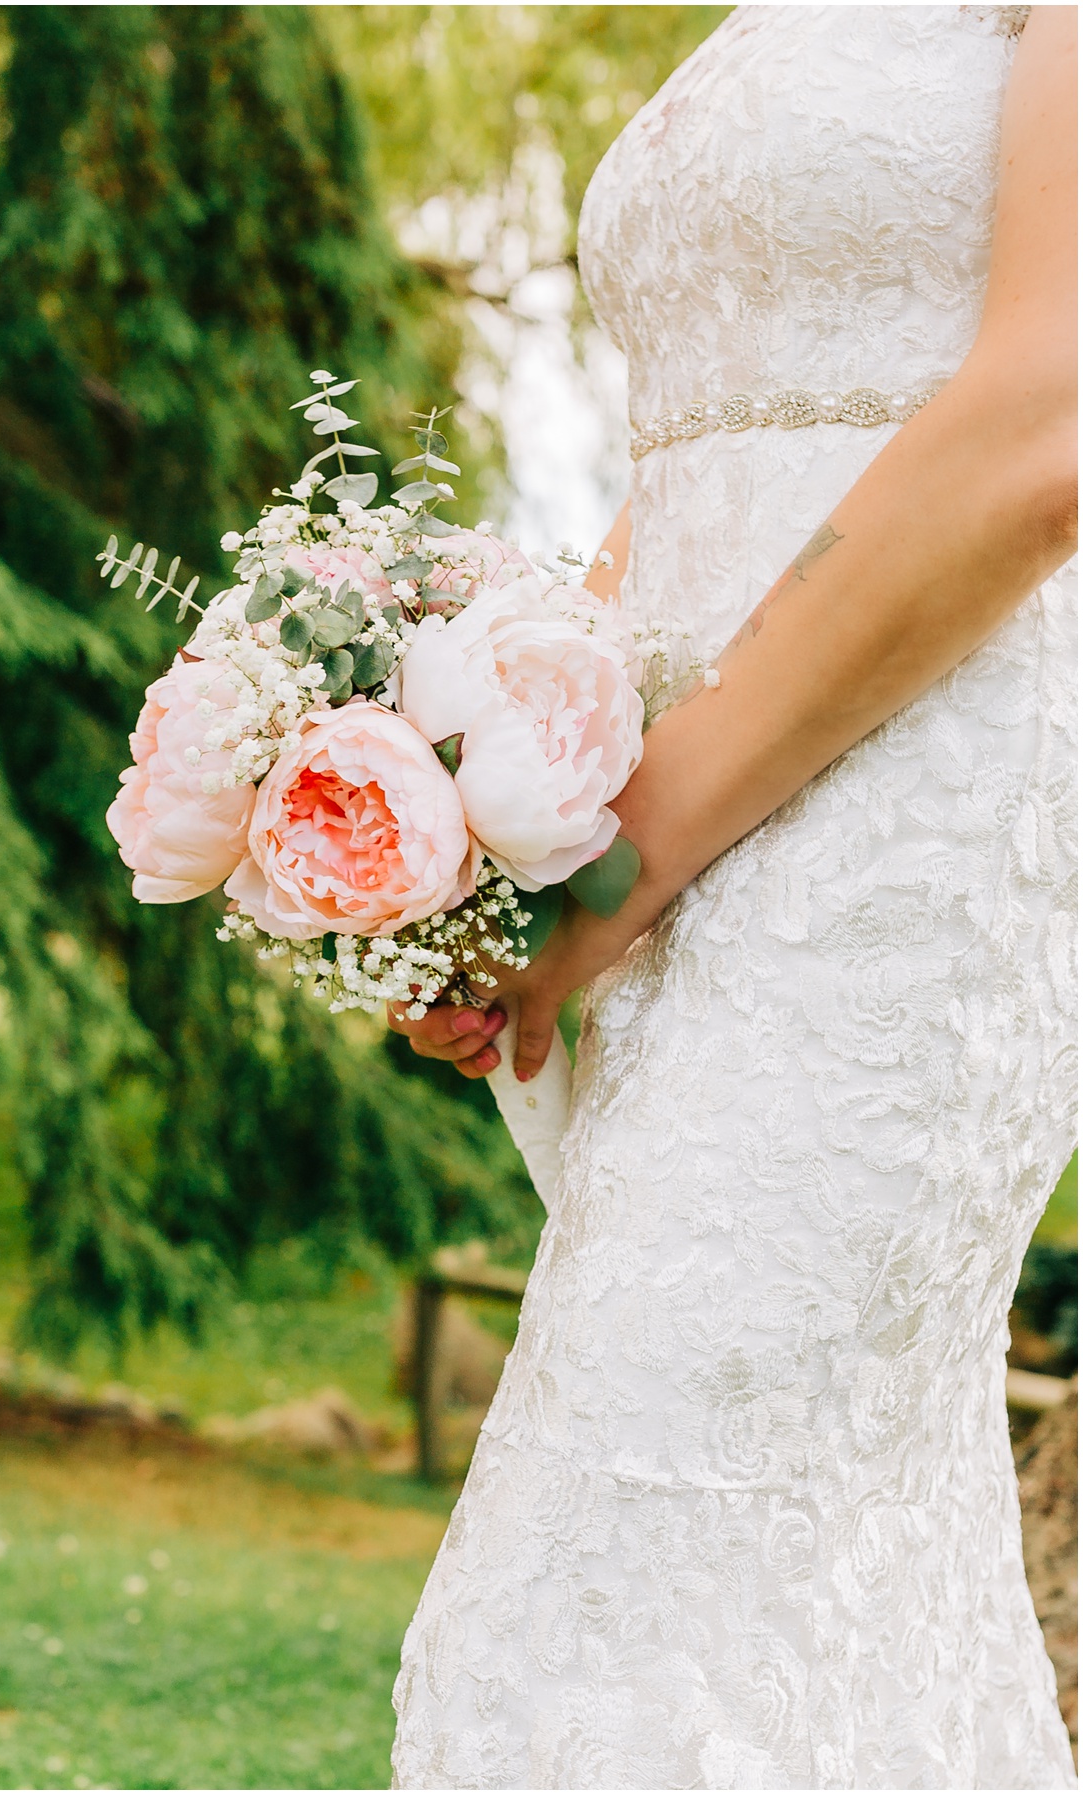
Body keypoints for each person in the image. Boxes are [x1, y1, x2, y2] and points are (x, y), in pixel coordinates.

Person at [388, 6, 1077, 1787]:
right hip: (685, 829)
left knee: (606, 1570)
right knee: (801, 1572)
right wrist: (495, 815)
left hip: (911, 826)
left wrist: (627, 862)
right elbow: (704, 457)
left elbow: (1047, 416)